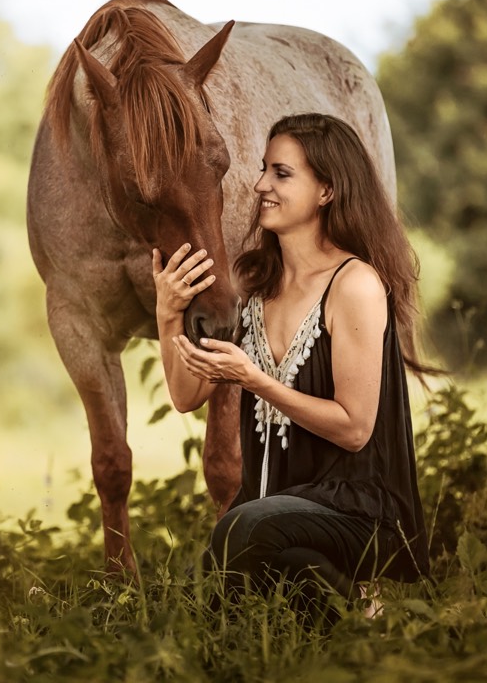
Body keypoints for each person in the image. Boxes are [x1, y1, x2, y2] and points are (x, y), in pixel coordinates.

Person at [151, 112, 433, 617]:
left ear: (327, 190)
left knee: (239, 535)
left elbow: (354, 429)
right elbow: (184, 395)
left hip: (357, 514)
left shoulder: (354, 284)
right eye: (264, 170)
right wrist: (167, 311)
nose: (260, 184)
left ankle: (358, 607)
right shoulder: (256, 286)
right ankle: (358, 617)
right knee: (197, 588)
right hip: (272, 516)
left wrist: (255, 381)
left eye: (281, 174)